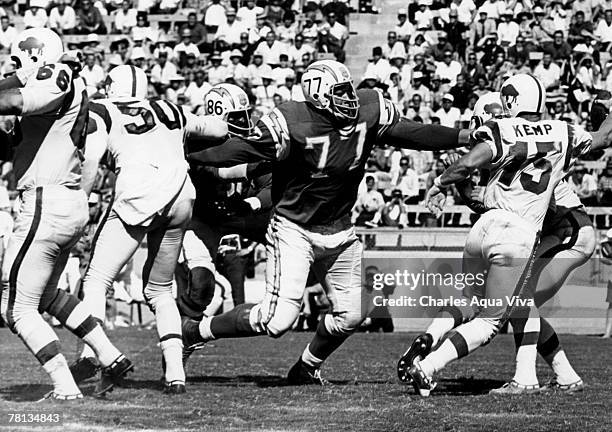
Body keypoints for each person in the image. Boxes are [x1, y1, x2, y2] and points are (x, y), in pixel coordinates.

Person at [184, 59, 471, 384]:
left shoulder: (368, 109)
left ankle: (306, 368)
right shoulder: (293, 119)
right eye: (339, 93)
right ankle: (196, 331)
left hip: (339, 229)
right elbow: (242, 149)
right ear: (318, 97)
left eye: (349, 90)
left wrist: (463, 136)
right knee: (277, 320)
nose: (349, 99)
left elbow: (413, 132)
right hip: (294, 228)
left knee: (352, 314)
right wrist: (186, 153)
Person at [403, 74, 612, 397]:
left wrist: (446, 181)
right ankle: (564, 375)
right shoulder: (559, 132)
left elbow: (480, 188)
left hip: (569, 229)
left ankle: (526, 376)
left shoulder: (503, 135)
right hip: (528, 231)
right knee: (511, 301)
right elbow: (601, 140)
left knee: (516, 300)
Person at [71, 66, 228, 395]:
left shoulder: (103, 108)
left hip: (139, 191)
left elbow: (92, 157)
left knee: (96, 280)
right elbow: (216, 127)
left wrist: (81, 199)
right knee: (159, 290)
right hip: (182, 194)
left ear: (113, 86)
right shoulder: (167, 107)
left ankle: (92, 355)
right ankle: (175, 373)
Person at [0, 28, 131, 401]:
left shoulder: (56, 75)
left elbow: (13, 101)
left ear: (37, 54)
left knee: (16, 309)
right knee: (45, 298)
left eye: (19, 57)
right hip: (65, 202)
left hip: (46, 200)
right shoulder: (59, 88)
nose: (14, 65)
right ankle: (110, 355)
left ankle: (65, 386)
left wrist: (14, 82)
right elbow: (12, 143)